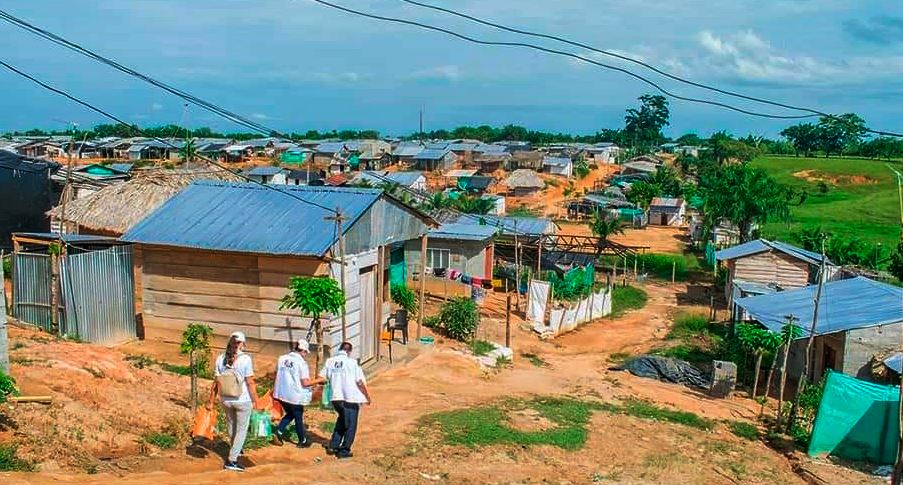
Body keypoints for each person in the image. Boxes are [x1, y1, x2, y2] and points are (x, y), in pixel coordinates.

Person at [207, 331, 260, 472]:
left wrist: (211, 401)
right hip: (242, 400)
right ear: (241, 343)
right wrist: (256, 401)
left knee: (231, 426)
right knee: (241, 430)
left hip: (225, 399)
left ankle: (235, 449)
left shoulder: (220, 358)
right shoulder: (245, 359)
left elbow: (216, 382)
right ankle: (232, 460)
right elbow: (250, 383)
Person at [319, 341, 371, 459]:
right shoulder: (352, 363)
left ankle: (333, 445)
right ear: (349, 351)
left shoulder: (330, 362)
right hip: (350, 399)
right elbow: (360, 382)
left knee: (342, 419)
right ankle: (344, 450)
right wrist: (367, 397)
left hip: (336, 398)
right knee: (351, 424)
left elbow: (322, 378)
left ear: (340, 349)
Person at [273, 338, 325, 448]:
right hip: (295, 396)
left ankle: (279, 432)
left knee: (291, 414)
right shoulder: (301, 363)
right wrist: (319, 380)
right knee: (298, 418)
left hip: (281, 393)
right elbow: (305, 383)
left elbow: (277, 373)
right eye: (306, 353)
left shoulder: (282, 358)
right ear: (304, 351)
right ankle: (303, 440)